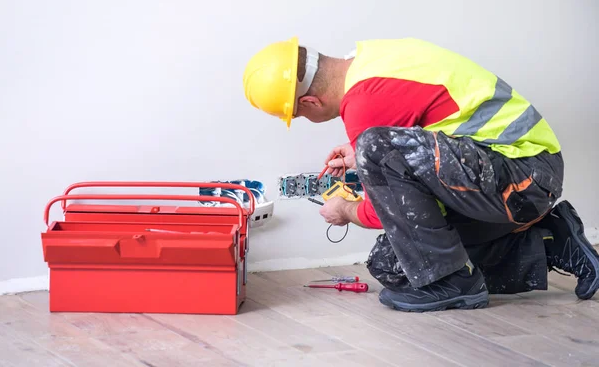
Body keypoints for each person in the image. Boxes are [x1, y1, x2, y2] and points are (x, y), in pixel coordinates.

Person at [242, 37, 599, 312]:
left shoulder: (364, 102)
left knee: (376, 149)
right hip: (510, 172)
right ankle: (552, 242)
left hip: (526, 176)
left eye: (301, 115)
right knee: (393, 265)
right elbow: (431, 125)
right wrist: (362, 158)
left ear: (310, 102)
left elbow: (386, 209)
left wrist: (347, 211)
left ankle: (457, 284)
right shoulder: (369, 59)